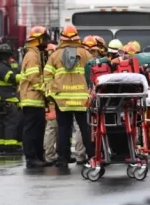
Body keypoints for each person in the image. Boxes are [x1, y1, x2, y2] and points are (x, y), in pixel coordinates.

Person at [43, 24, 94, 168]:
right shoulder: (85, 53)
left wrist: (51, 94)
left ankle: (63, 159)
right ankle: (91, 156)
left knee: (64, 129)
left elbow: (47, 76)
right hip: (82, 100)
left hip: (62, 100)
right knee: (85, 129)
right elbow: (93, 74)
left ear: (62, 38)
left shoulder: (55, 55)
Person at [19, 26, 50, 167]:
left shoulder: (36, 53)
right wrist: (45, 89)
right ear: (38, 40)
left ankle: (38, 156)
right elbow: (33, 77)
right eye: (45, 39)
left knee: (38, 130)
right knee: (31, 130)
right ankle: (31, 158)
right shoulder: (32, 55)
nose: (47, 41)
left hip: (36, 99)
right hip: (31, 99)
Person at [0, 43, 22, 154]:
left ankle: (2, 146)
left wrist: (15, 67)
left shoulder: (0, 66)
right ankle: (10, 147)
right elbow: (12, 78)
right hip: (7, 101)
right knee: (11, 123)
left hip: (1, 101)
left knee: (3, 124)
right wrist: (26, 76)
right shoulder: (2, 68)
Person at [42, 44, 58, 165]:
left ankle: (50, 153)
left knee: (52, 128)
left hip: (50, 99)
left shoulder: (46, 63)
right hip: (53, 100)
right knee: (52, 128)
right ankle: (50, 155)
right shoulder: (52, 64)